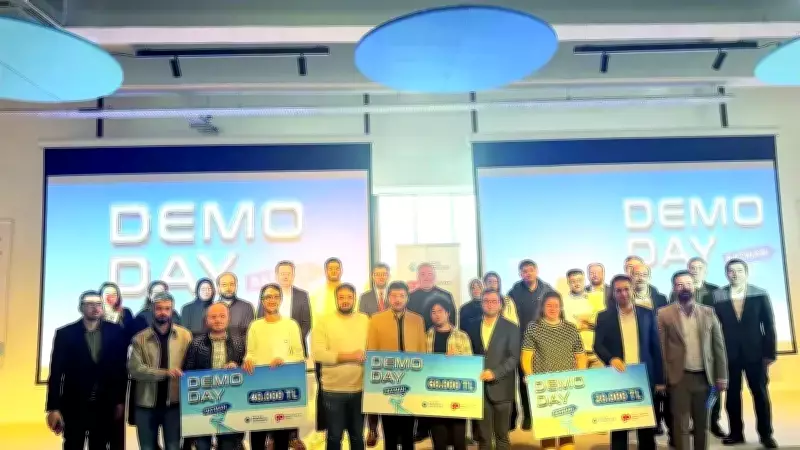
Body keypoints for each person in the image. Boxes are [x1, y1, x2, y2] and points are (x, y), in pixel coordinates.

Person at [46, 290, 128, 450]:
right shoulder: (65, 334)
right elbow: (56, 374)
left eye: (98, 304)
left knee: (99, 445)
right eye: (90, 304)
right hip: (74, 406)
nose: (95, 308)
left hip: (104, 406)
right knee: (73, 445)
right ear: (81, 308)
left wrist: (120, 401)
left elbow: (120, 370)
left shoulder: (116, 331)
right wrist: (53, 408)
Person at [658, 270, 728, 450]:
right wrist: (662, 379)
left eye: (688, 284)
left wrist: (722, 376)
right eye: (680, 285)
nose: (685, 288)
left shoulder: (709, 312)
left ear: (694, 287)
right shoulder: (664, 314)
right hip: (678, 378)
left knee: (702, 425)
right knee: (680, 425)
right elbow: (661, 349)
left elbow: (719, 348)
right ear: (674, 288)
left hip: (705, 378)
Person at [594, 275, 664, 450]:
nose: (623, 294)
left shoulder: (647, 313)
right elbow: (598, 345)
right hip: (619, 377)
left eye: (626, 289)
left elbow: (656, 348)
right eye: (618, 290)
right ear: (613, 293)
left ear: (632, 290)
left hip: (644, 377)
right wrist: (611, 358)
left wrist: (660, 379)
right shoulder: (604, 316)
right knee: (620, 426)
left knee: (646, 427)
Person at [712, 259, 777, 448]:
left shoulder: (760, 293)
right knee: (732, 396)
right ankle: (736, 433)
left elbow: (769, 325)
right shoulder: (718, 295)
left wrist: (769, 353)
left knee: (760, 395)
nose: (735, 274)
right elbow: (713, 327)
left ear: (746, 273)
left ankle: (766, 435)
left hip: (756, 354)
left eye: (739, 270)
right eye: (731, 271)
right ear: (726, 274)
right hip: (728, 354)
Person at [243, 283, 305, 450]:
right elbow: (250, 352)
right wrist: (248, 360)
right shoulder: (255, 326)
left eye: (276, 296)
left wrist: (283, 359)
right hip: (259, 388)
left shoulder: (291, 324)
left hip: (282, 387)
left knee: (281, 438)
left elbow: (299, 355)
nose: (272, 300)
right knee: (257, 438)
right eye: (268, 297)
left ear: (281, 300)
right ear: (262, 301)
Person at [520, 292, 585, 450]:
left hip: (568, 386)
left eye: (556, 305)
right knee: (548, 431)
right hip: (544, 388)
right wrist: (529, 376)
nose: (553, 309)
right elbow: (526, 357)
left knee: (567, 430)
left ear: (561, 307)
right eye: (549, 305)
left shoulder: (571, 328)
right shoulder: (533, 328)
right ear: (542, 307)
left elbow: (581, 356)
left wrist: (580, 376)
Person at [366, 280, 427, 449]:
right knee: (389, 432)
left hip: (411, 381)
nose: (398, 299)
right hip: (387, 381)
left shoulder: (417, 320)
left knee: (408, 432)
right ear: (388, 298)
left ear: (407, 298)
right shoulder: (376, 319)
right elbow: (372, 352)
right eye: (394, 295)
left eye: (401, 295)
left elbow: (422, 351)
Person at [128, 292, 193, 450]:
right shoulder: (139, 339)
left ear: (172, 310)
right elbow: (135, 370)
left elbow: (192, 366)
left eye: (167, 308)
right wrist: (165, 373)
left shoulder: (185, 336)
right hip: (146, 405)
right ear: (152, 309)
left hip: (175, 404)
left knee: (173, 447)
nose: (163, 312)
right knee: (147, 447)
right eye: (159, 308)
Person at [312, 283, 370, 450]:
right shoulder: (324, 321)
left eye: (349, 297)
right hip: (332, 390)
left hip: (359, 389)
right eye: (341, 297)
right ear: (336, 299)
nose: (345, 301)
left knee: (357, 436)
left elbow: (372, 349)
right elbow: (318, 354)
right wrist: (351, 356)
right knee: (334, 436)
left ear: (355, 299)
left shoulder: (365, 320)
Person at [183, 303, 247, 450]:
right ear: (206, 320)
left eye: (222, 316)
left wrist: (238, 367)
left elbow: (248, 373)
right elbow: (187, 373)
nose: (218, 320)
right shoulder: (196, 343)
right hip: (202, 402)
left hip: (231, 403)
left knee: (228, 445)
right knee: (202, 445)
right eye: (213, 317)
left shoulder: (239, 343)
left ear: (228, 318)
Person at [463, 289, 520, 450]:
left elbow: (514, 358)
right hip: (478, 389)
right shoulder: (471, 326)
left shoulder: (511, 327)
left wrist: (495, 373)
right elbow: (466, 353)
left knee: (502, 436)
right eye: (486, 301)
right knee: (483, 437)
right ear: (481, 304)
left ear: (500, 305)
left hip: (502, 388)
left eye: (494, 301)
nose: (490, 304)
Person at [506, 259, 552, 430]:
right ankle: (527, 416)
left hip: (543, 342)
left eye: (531, 270)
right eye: (524, 271)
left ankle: (543, 414)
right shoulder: (514, 292)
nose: (528, 273)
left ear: (537, 271)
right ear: (520, 274)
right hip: (521, 343)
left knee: (542, 379)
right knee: (524, 379)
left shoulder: (547, 289)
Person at [426, 299, 472, 450]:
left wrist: (456, 360)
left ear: (447, 313)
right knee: (439, 440)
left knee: (459, 440)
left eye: (440, 311)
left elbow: (470, 366)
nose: (437, 315)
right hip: (434, 395)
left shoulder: (461, 336)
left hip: (457, 394)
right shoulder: (426, 337)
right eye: (433, 312)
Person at [98, 281, 136, 450]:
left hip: (120, 371)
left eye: (114, 294)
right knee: (98, 423)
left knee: (117, 420)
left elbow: (132, 338)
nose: (110, 297)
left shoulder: (125, 313)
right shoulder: (95, 314)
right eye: (107, 293)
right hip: (98, 372)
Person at [358, 262, 392, 447]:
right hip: (372, 350)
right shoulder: (364, 298)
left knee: (390, 389)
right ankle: (372, 430)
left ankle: (390, 430)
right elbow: (362, 324)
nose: (380, 277)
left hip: (392, 350)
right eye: (377, 274)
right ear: (372, 276)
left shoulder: (394, 295)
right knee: (372, 390)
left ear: (388, 276)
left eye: (384, 274)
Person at [562, 269, 605, 369]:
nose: (577, 284)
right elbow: (568, 327)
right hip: (575, 354)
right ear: (568, 282)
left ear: (584, 280)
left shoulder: (595, 298)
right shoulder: (563, 302)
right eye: (573, 281)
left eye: (579, 280)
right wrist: (588, 322)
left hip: (597, 353)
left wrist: (581, 321)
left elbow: (602, 322)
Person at [408, 262, 456, 330]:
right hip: (416, 334)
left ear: (434, 277)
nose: (426, 277)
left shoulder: (446, 295)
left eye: (430, 274)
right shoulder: (409, 297)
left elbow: (452, 321)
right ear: (418, 277)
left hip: (439, 335)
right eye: (422, 274)